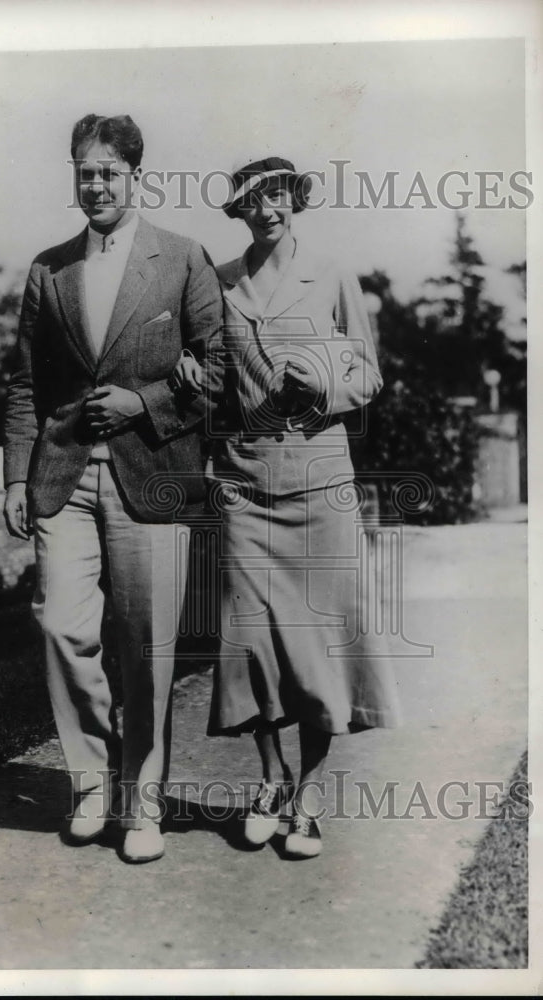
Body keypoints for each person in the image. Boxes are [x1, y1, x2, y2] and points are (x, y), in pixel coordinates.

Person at [3, 114, 222, 864]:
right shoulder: (48, 268)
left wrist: (145, 403)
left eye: (107, 172)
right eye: (82, 171)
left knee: (147, 645)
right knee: (62, 625)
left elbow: (218, 376)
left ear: (136, 176)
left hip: (152, 477)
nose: (93, 184)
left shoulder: (183, 260)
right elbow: (25, 386)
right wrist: (14, 476)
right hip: (63, 477)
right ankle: (90, 784)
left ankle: (144, 798)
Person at [172, 154, 402, 859]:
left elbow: (366, 371)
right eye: (254, 200)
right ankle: (269, 781)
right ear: (237, 212)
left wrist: (324, 385)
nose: (269, 209)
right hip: (243, 483)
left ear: (292, 199)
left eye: (278, 196)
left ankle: (307, 796)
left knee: (320, 645)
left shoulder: (330, 274)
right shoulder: (219, 283)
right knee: (252, 642)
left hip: (318, 481)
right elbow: (214, 382)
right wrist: (189, 378)